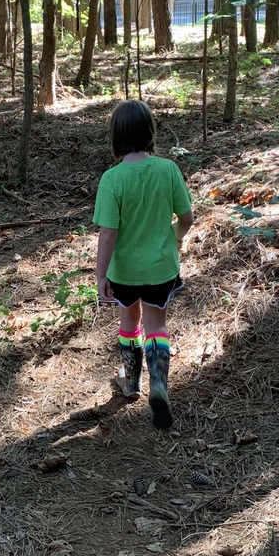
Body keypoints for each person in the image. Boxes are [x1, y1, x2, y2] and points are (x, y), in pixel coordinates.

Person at [93, 99, 194, 429]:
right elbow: (187, 216)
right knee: (156, 326)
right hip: (160, 268)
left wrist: (101, 275)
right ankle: (159, 385)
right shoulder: (168, 170)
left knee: (128, 320)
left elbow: (108, 233)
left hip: (124, 271)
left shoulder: (112, 178)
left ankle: (132, 381)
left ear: (116, 136)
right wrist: (176, 238)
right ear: (150, 131)